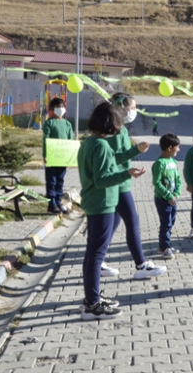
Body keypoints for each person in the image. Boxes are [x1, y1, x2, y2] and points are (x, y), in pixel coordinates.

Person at [78, 101, 145, 320]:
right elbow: (102, 179)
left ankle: (92, 297)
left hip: (94, 203)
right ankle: (92, 304)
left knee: (92, 253)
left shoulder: (91, 143)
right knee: (96, 254)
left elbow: (110, 161)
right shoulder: (101, 146)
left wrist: (131, 156)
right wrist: (127, 175)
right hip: (102, 204)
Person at [103, 93, 167, 279]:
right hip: (117, 183)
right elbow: (112, 158)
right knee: (133, 221)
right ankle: (141, 264)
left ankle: (98, 261)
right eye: (132, 107)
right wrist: (135, 151)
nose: (134, 111)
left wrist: (132, 168)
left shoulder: (121, 129)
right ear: (121, 107)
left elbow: (121, 157)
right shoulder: (113, 131)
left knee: (112, 226)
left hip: (122, 180)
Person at [153, 133, 182, 259]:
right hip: (163, 200)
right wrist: (168, 195)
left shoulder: (174, 162)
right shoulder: (159, 163)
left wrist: (176, 194)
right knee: (166, 223)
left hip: (173, 199)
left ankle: (167, 245)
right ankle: (164, 247)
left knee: (171, 222)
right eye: (177, 147)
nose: (179, 150)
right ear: (170, 148)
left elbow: (179, 180)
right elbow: (157, 182)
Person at [42, 97, 73, 215]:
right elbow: (46, 139)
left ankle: (58, 202)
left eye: (62, 107)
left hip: (63, 157)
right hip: (52, 156)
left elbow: (70, 141)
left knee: (60, 180)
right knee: (51, 181)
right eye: (57, 107)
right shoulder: (49, 123)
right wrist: (45, 155)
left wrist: (71, 156)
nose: (60, 109)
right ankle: (52, 204)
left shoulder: (67, 124)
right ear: (52, 109)